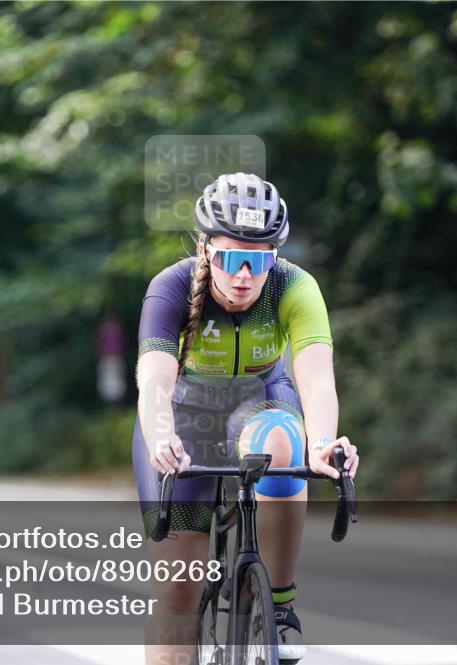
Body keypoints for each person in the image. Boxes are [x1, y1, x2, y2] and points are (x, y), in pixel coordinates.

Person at [133, 173, 360, 664]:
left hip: (258, 402)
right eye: (231, 258)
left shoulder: (295, 288)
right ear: (205, 248)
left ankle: (278, 610)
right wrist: (161, 433)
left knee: (284, 443)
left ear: (274, 257)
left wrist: (322, 442)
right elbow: (154, 377)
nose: (243, 276)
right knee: (177, 595)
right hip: (183, 417)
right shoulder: (170, 287)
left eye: (257, 261)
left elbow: (317, 378)